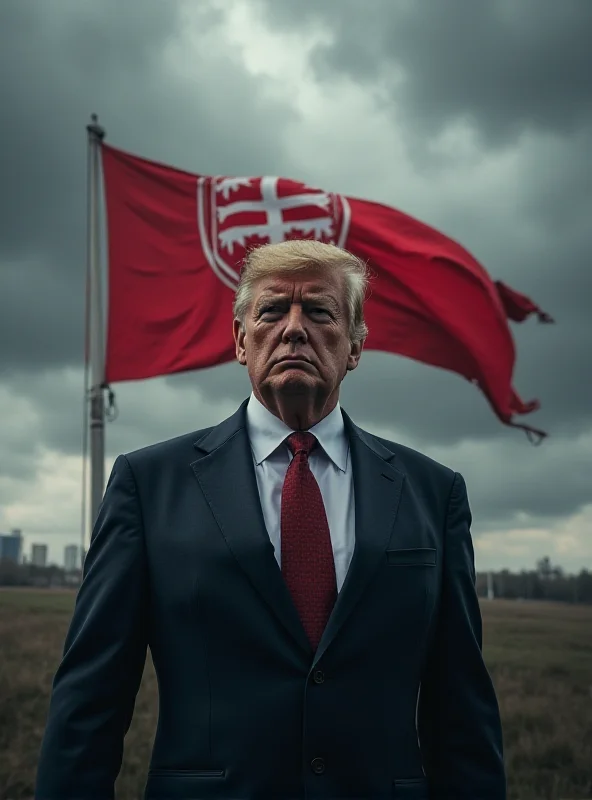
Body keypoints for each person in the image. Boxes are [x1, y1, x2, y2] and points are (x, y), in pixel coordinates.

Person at [35, 239, 506, 800]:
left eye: (320, 311)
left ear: (355, 346)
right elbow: (90, 702)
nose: (294, 328)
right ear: (240, 340)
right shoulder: (148, 485)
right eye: (273, 310)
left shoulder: (433, 493)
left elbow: (462, 711)